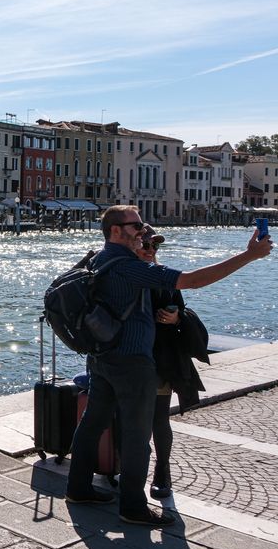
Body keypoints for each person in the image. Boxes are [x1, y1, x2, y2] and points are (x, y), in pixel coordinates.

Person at [66, 205, 272, 527]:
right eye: (135, 226)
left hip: (101, 357)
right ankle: (133, 507)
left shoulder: (98, 260)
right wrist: (249, 256)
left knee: (92, 423)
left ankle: (78, 488)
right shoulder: (129, 267)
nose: (142, 231)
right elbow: (192, 280)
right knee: (137, 435)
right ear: (115, 231)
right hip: (132, 363)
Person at [136, 225, 207, 500]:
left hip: (161, 358)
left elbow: (181, 306)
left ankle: (162, 471)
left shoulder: (165, 276)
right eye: (146, 245)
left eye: (155, 246)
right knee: (130, 417)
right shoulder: (124, 274)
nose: (151, 250)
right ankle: (126, 468)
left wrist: (176, 318)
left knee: (158, 417)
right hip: (130, 359)